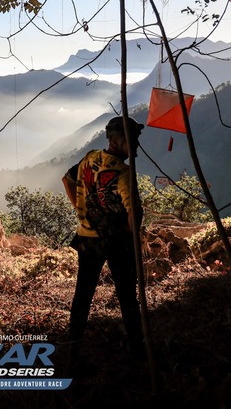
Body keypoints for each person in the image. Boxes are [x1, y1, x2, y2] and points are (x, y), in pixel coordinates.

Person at [61, 115, 144, 358]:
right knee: (127, 295)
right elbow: (133, 215)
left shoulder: (91, 157)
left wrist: (80, 208)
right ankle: (137, 348)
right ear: (119, 142)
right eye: (134, 140)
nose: (137, 145)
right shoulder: (123, 172)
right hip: (117, 242)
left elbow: (67, 179)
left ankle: (73, 343)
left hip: (87, 238)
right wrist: (132, 234)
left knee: (83, 293)